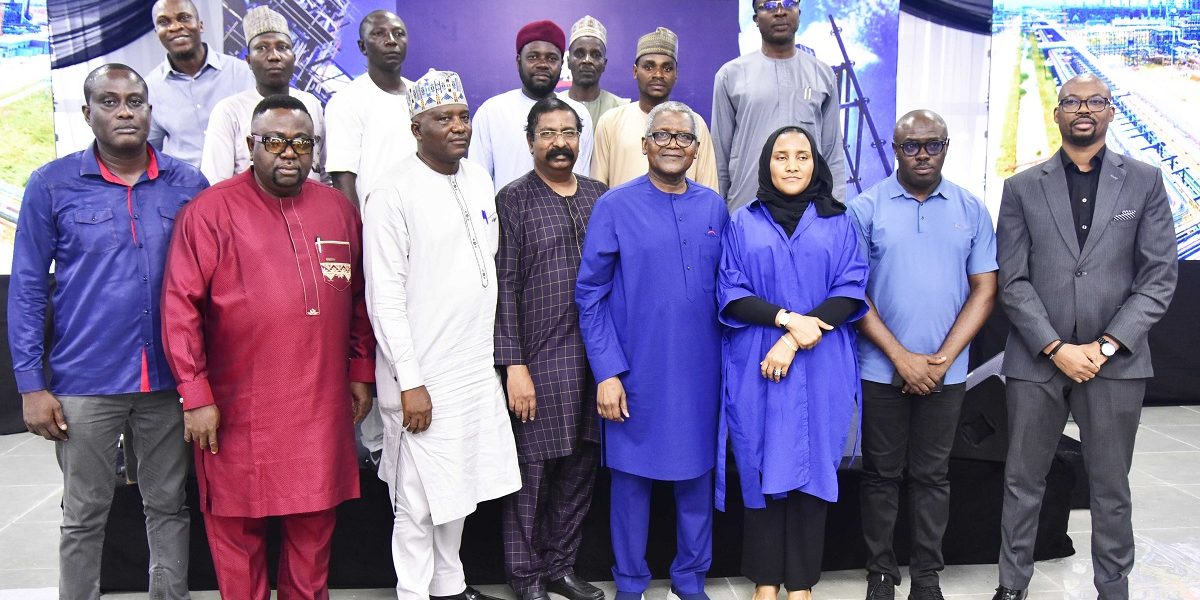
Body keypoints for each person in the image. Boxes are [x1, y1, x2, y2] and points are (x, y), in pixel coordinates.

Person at [161, 94, 374, 599]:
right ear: (251, 144)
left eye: (302, 143)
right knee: (238, 536)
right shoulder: (210, 211)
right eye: (275, 141)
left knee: (313, 532)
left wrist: (360, 370)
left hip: (320, 404)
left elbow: (361, 299)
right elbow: (180, 309)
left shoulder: (338, 210)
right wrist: (196, 395)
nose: (289, 153)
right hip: (238, 410)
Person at [9, 63, 206, 600]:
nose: (125, 111)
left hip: (168, 380)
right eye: (111, 101)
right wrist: (31, 384)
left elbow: (211, 288)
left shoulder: (187, 184)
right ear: (87, 113)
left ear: (149, 109)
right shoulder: (52, 185)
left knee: (168, 506)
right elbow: (27, 288)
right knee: (83, 514)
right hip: (85, 382)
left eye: (136, 101)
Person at [992, 74, 1177, 600]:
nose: (1083, 110)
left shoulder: (1144, 181)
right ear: (1057, 113)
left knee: (1110, 487)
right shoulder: (1022, 186)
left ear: (1110, 112)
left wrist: (1105, 346)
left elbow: (1159, 276)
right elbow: (1013, 279)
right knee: (1023, 482)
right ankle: (1012, 585)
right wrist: (1055, 346)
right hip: (1037, 360)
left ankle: (1113, 588)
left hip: (1116, 362)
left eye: (1095, 101)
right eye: (1072, 101)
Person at [363, 69, 522, 600]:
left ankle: (449, 586)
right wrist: (410, 380)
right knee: (416, 500)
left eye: (462, 116)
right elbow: (383, 297)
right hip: (420, 373)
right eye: (443, 119)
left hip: (472, 369)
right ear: (416, 127)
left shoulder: (477, 179)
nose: (458, 127)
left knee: (460, 489)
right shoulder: (391, 192)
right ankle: (414, 592)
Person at [576, 101, 728, 600]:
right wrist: (607, 372)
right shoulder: (614, 206)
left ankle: (690, 578)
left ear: (696, 149)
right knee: (631, 486)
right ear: (644, 145)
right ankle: (630, 584)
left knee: (695, 483)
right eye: (661, 136)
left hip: (700, 372)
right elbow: (590, 295)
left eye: (682, 138)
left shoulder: (713, 207)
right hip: (634, 371)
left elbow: (730, 289)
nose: (671, 145)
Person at [847, 111, 997, 600]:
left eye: (933, 144)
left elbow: (984, 289)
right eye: (912, 146)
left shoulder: (970, 208)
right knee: (880, 476)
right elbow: (853, 293)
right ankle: (881, 573)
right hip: (880, 368)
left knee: (933, 476)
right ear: (894, 148)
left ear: (947, 147)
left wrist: (940, 359)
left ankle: (927, 576)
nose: (923, 154)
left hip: (946, 372)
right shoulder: (865, 208)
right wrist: (901, 358)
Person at [717, 125, 867, 600]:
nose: (792, 165)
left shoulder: (839, 221)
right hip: (757, 360)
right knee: (760, 463)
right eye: (781, 157)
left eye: (802, 156)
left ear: (816, 165)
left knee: (814, 465)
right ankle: (765, 582)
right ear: (767, 164)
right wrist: (786, 322)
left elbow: (850, 289)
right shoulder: (744, 222)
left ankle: (800, 585)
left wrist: (796, 338)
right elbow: (731, 292)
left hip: (820, 362)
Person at [495, 98, 609, 600]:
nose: (559, 142)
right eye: (548, 133)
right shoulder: (513, 200)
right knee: (531, 476)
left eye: (568, 132)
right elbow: (504, 286)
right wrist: (513, 364)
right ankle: (526, 578)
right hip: (539, 361)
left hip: (595, 360)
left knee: (580, 468)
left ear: (579, 140)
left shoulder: (600, 197)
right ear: (530, 141)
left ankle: (560, 567)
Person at [711, 0, 845, 211]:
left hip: (809, 212)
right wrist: (718, 213)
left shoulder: (823, 74)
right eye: (769, 5)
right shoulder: (731, 75)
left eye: (789, 3)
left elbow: (832, 152)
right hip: (748, 207)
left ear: (799, 12)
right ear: (756, 18)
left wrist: (835, 207)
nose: (780, 12)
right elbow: (720, 154)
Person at [200, 6, 325, 183]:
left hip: (309, 208)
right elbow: (216, 184)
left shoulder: (311, 104)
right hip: (248, 209)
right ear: (249, 61)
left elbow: (324, 174)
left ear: (294, 58)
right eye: (262, 48)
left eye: (282, 47)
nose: (274, 56)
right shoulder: (229, 111)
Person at [469, 20, 595, 190]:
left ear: (562, 64)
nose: (542, 64)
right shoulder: (491, 112)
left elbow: (582, 177)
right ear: (518, 61)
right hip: (506, 215)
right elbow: (478, 182)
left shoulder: (578, 113)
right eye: (533, 56)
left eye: (551, 58)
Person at [591, 27, 718, 190]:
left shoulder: (695, 124)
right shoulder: (610, 122)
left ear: (676, 74)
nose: (658, 74)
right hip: (623, 215)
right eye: (649, 67)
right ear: (635, 71)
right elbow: (597, 190)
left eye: (667, 68)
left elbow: (709, 192)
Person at [325, 9, 417, 211]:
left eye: (399, 33)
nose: (391, 40)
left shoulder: (421, 94)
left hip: (427, 220)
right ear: (362, 47)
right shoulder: (346, 101)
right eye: (379, 34)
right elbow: (343, 179)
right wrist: (359, 234)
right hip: (378, 227)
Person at [147, 0, 254, 167]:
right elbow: (149, 152)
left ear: (200, 25)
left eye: (184, 18)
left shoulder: (241, 72)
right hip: (189, 190)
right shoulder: (150, 88)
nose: (175, 27)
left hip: (243, 185)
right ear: (156, 33)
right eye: (164, 22)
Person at [566, 15, 625, 126]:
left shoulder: (620, 109)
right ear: (568, 61)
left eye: (595, 55)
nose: (587, 60)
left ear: (604, 64)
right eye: (579, 54)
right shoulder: (552, 105)